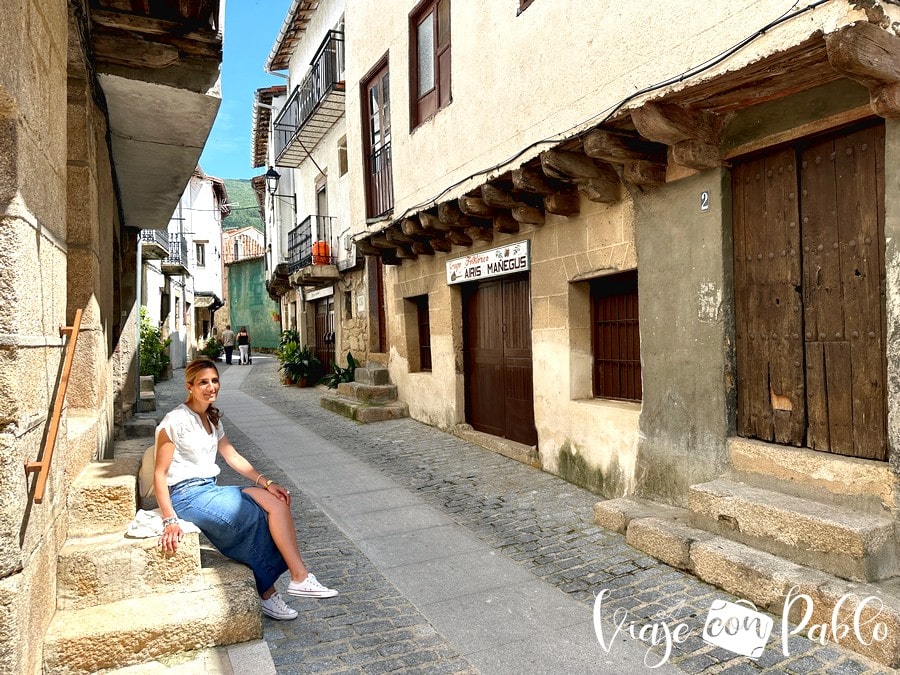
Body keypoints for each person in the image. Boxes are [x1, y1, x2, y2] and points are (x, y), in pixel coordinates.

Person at [153, 358, 338, 621]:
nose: (210, 387)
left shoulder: (211, 418)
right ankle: (268, 593)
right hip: (186, 495)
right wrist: (170, 519)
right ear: (190, 386)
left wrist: (266, 482)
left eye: (214, 381)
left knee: (276, 502)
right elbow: (159, 474)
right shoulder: (175, 421)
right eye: (203, 382)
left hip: (208, 489)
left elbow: (232, 456)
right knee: (251, 517)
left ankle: (300, 578)